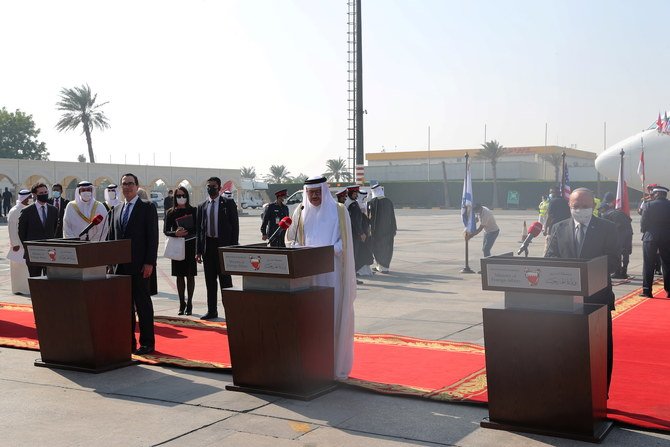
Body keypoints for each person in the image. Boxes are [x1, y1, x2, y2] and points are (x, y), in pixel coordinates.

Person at [545, 188, 619, 391]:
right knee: (568, 348)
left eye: (585, 206)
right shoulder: (559, 228)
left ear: (593, 207)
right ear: (570, 206)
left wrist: (586, 272)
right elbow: (550, 257)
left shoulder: (607, 228)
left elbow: (614, 262)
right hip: (565, 300)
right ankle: (569, 389)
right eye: (576, 206)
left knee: (599, 349)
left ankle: (601, 392)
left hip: (597, 299)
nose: (580, 210)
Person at [285, 175, 355, 380]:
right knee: (312, 319)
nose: (314, 196)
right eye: (310, 193)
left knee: (332, 317)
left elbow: (346, 243)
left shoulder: (339, 211)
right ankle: (312, 365)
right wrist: (297, 247)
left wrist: (329, 250)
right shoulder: (300, 211)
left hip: (332, 274)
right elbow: (291, 238)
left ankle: (333, 365)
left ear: (324, 191)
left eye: (317, 192)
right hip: (308, 275)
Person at [108, 173, 159, 356]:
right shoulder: (115, 210)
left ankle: (147, 343)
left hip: (140, 267)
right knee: (124, 307)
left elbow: (152, 238)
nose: (127, 187)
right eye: (124, 184)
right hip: (120, 268)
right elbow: (111, 239)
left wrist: (149, 263)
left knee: (143, 306)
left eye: (130, 183)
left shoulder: (147, 207)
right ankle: (127, 342)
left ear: (137, 186)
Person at [196, 176, 239, 320]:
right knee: (210, 281)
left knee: (225, 281)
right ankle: (212, 310)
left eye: (213, 186)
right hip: (209, 247)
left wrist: (233, 247)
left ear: (219, 188)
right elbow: (199, 230)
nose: (210, 188)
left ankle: (231, 311)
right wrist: (198, 251)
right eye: (208, 186)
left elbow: (235, 226)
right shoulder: (202, 206)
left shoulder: (228, 203)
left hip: (223, 247)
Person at [164, 186, 198, 315]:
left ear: (187, 196)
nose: (181, 198)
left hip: (190, 245)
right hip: (177, 245)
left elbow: (198, 228)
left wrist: (188, 230)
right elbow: (166, 230)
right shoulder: (171, 212)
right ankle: (181, 303)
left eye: (183, 195)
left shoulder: (193, 210)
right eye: (178, 196)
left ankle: (189, 303)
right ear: (174, 198)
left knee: (190, 275)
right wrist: (175, 233)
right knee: (179, 276)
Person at [18, 182, 58, 277]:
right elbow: (21, 233)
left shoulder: (53, 210)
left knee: (50, 279)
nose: (44, 194)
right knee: (35, 279)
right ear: (35, 195)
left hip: (50, 252)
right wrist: (28, 248)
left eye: (46, 192)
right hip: (34, 252)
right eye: (41, 193)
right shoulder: (26, 211)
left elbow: (54, 229)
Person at [640, 186, 670, 298]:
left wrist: (646, 231)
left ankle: (647, 291)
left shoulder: (648, 205)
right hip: (667, 237)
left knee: (648, 264)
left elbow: (643, 222)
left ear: (656, 194)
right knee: (667, 264)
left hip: (651, 236)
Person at [599, 192, 633, 279]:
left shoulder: (605, 215)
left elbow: (608, 228)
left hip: (620, 233)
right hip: (629, 232)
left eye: (601, 209)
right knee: (626, 252)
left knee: (617, 252)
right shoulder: (618, 212)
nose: (600, 211)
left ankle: (617, 272)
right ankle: (624, 272)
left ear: (604, 208)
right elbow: (629, 220)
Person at [346, 185, 373, 284]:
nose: (356, 195)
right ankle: (352, 278)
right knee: (353, 256)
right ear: (350, 194)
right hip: (355, 235)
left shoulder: (352, 203)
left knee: (354, 256)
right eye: (354, 193)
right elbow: (355, 221)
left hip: (354, 234)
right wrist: (361, 233)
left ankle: (352, 277)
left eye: (356, 193)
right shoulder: (353, 205)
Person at [367, 184, 397, 273]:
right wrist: (394, 228)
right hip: (388, 230)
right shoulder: (389, 201)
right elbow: (393, 217)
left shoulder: (372, 202)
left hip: (377, 231)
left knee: (378, 248)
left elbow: (369, 218)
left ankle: (381, 266)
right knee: (387, 248)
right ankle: (384, 267)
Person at [7, 189, 32, 294]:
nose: (31, 200)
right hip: (18, 245)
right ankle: (18, 289)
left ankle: (25, 289)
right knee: (18, 268)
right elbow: (12, 228)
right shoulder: (14, 210)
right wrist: (15, 244)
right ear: (24, 198)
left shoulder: (27, 209)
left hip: (26, 243)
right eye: (29, 198)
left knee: (25, 269)